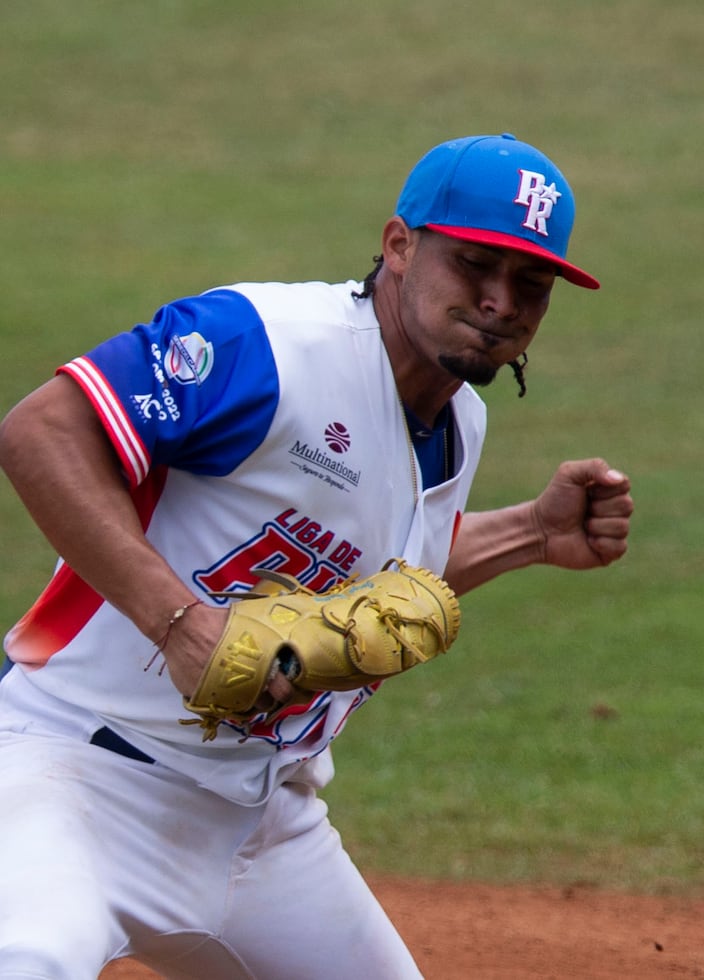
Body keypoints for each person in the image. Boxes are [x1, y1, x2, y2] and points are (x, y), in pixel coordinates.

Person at [0, 133, 633, 979]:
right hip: (75, 774)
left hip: (263, 829)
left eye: (531, 281)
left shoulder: (460, 422)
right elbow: (41, 432)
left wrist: (529, 534)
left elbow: (378, 584)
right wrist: (180, 622)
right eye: (476, 265)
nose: (500, 301)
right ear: (399, 246)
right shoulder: (265, 342)